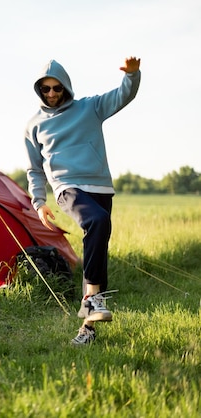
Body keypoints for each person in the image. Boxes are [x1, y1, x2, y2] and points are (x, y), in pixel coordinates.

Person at [23, 57, 141, 345]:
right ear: (39, 90)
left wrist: (132, 75)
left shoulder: (89, 107)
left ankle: (87, 329)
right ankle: (90, 298)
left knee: (98, 246)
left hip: (100, 185)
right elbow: (35, 169)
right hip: (67, 187)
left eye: (56, 88)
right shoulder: (34, 126)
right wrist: (39, 202)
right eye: (45, 89)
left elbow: (123, 95)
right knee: (96, 221)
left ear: (65, 88)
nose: (51, 94)